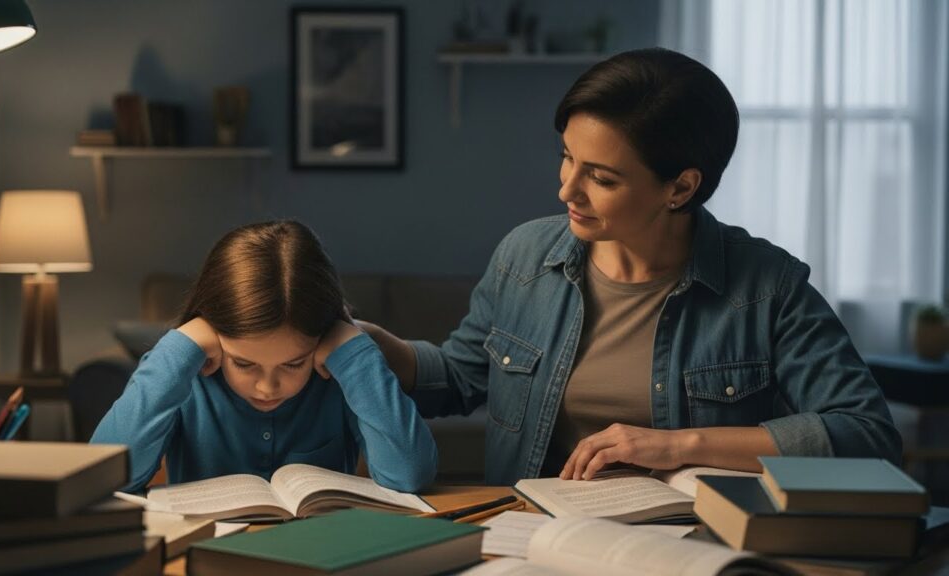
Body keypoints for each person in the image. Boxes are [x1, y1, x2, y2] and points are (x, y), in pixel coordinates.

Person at [360, 48, 901, 485]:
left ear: (680, 187)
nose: (566, 188)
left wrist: (676, 447)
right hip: (532, 536)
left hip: (691, 546)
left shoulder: (768, 287)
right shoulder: (524, 255)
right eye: (567, 156)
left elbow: (866, 433)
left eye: (602, 177)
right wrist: (364, 338)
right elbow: (457, 379)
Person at [92, 220, 438, 493]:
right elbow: (106, 478)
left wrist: (354, 351)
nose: (267, 387)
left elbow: (409, 475)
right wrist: (179, 345)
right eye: (244, 363)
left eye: (293, 363)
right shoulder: (188, 372)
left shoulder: (337, 375)